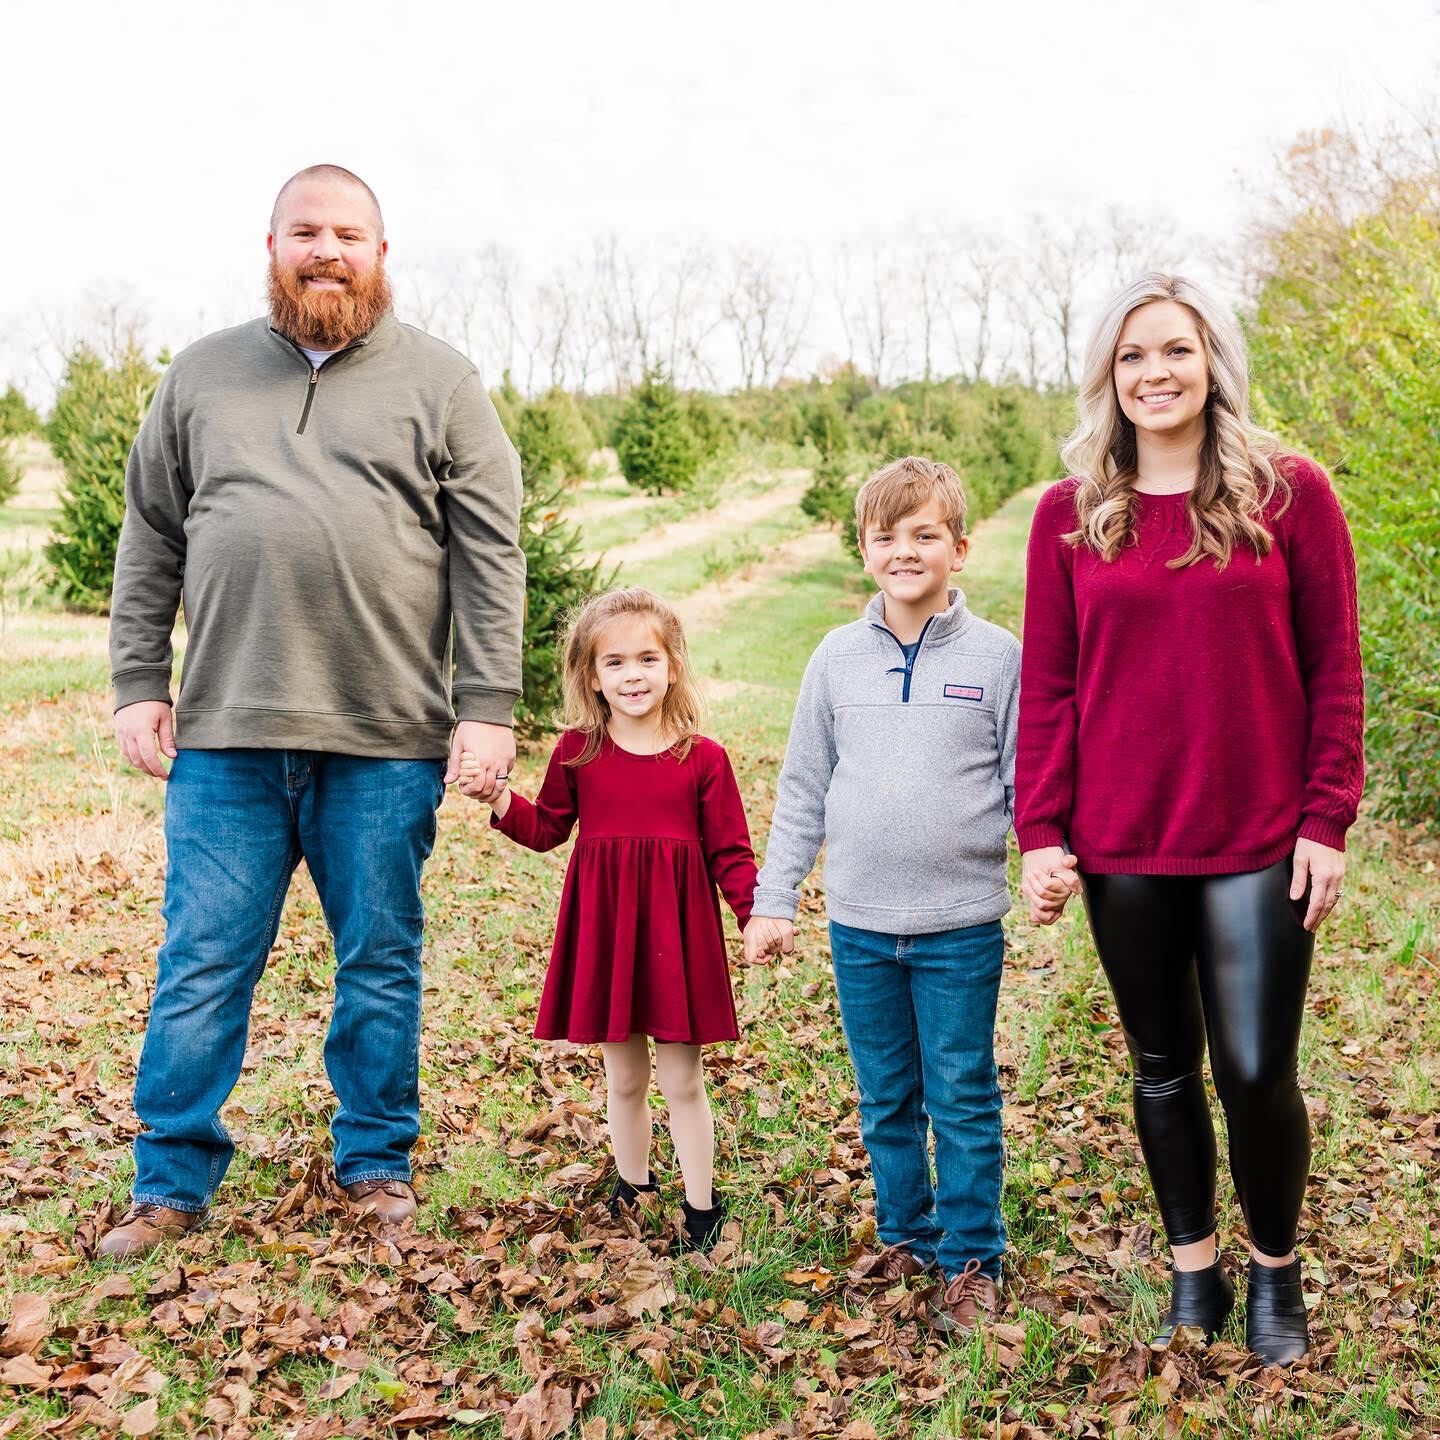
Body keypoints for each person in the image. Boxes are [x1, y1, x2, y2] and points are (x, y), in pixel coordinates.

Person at [99, 164, 525, 1258]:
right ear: (272, 245)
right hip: (229, 738)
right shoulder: (201, 376)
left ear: (382, 251)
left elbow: (489, 553)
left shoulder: (443, 382)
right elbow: (150, 534)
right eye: (305, 232)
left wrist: (486, 705)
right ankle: (169, 1183)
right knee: (201, 960)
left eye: (347, 232)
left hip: (384, 740)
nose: (325, 249)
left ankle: (377, 1163)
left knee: (379, 957)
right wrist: (139, 679)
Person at [1015, 273, 1364, 1365]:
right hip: (1124, 842)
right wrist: (1041, 831)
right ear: (1105, 378)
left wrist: (1328, 819)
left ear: (1211, 358)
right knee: (1161, 1064)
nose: (1154, 374)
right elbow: (1054, 687)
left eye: (1174, 350)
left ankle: (1275, 1272)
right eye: (1131, 357)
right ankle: (1194, 1269)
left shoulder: (1289, 493)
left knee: (1256, 1067)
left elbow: (1334, 668)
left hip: (1260, 837)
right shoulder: (1068, 516)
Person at [745, 456, 1021, 1333]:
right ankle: (907, 1232)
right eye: (886, 535)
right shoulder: (835, 660)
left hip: (960, 925)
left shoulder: (999, 657)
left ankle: (973, 1255)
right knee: (885, 1094)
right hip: (860, 926)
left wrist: (1054, 858)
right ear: (864, 548)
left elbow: (1028, 786)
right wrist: (775, 898)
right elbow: (802, 787)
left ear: (960, 548)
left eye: (924, 534)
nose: (905, 550)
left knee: (961, 1092)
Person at [459, 587, 756, 1250]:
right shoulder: (578, 752)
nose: (632, 675)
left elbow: (731, 851)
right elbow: (546, 830)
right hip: (610, 932)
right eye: (614, 663)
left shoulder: (701, 758)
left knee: (682, 1077)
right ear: (592, 677)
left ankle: (702, 1207)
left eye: (647, 659)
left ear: (672, 666)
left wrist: (753, 915)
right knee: (623, 1075)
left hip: (677, 936)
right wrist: (500, 796)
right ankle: (632, 1185)